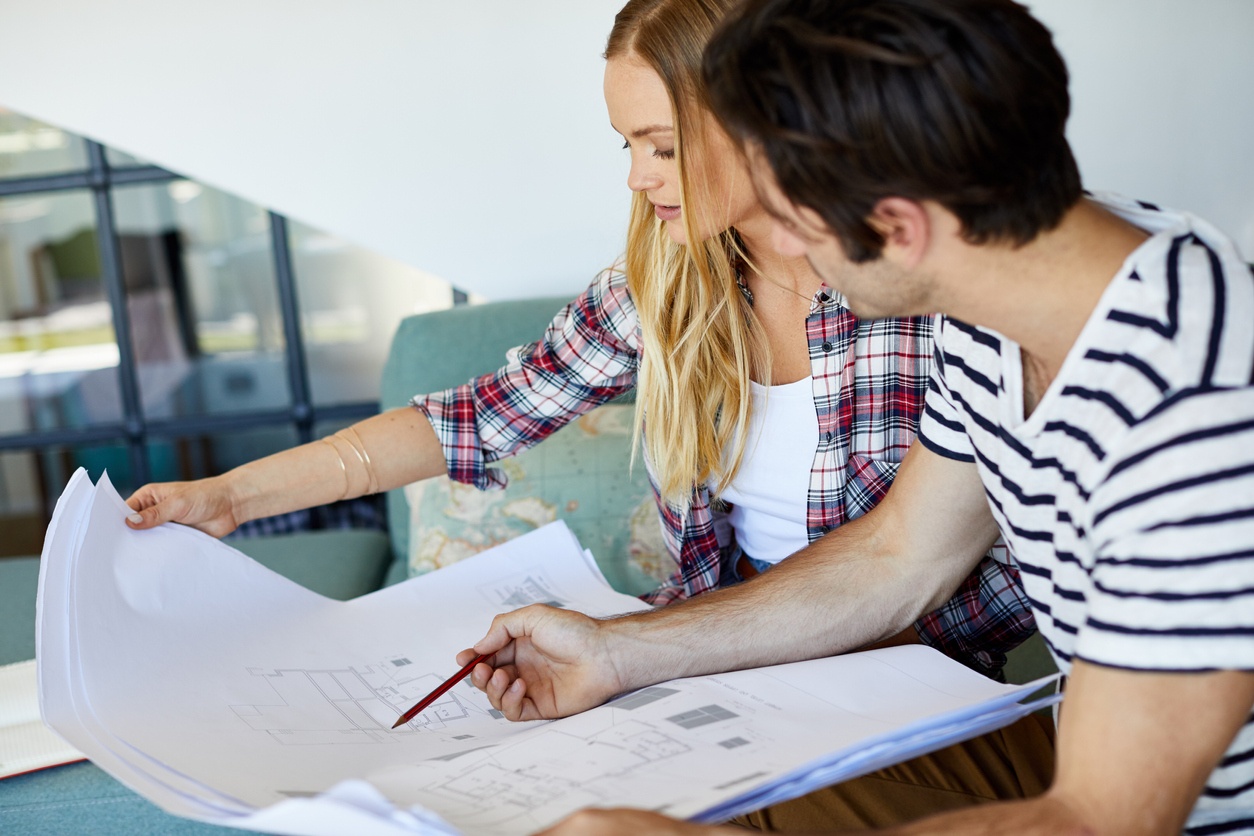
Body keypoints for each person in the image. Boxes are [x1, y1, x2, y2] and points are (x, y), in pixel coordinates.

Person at [456, 0, 1254, 833]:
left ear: (899, 228)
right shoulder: (1000, 312)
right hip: (1078, 753)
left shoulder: (1198, 405)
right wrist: (618, 650)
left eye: (795, 220)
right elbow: (897, 553)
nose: (789, 252)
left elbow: (1099, 820)